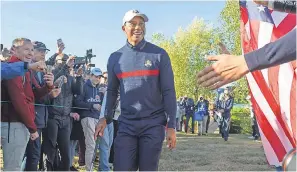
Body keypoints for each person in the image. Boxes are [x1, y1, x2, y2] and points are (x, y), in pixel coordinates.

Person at [94, 9, 177, 171]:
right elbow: (111, 91)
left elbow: (168, 91)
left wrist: (171, 125)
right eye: (133, 23)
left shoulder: (159, 55)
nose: (138, 27)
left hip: (153, 125)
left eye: (141, 24)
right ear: (123, 28)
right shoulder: (115, 58)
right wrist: (105, 118)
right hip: (126, 125)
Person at [1, 38, 54, 171]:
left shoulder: (27, 70)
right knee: (13, 168)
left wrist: (48, 86)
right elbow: (19, 101)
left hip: (20, 124)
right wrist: (33, 128)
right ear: (15, 50)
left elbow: (34, 94)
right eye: (26, 49)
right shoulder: (13, 69)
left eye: (32, 50)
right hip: (13, 125)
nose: (30, 53)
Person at [24, 41, 61, 171]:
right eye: (40, 51)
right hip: (30, 119)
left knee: (33, 154)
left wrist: (51, 93)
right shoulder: (28, 70)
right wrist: (49, 94)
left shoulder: (43, 70)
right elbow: (31, 95)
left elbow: (42, 95)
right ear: (32, 51)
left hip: (40, 119)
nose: (43, 54)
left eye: (45, 51)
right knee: (31, 155)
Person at [43, 52, 83, 171]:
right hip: (52, 117)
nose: (67, 61)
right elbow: (52, 86)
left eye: (68, 59)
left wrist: (79, 77)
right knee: (50, 149)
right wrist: (65, 66)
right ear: (56, 61)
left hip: (65, 119)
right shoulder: (52, 73)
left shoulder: (70, 77)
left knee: (65, 152)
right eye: (63, 60)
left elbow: (78, 91)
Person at [74, 68, 104, 171]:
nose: (98, 78)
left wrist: (105, 94)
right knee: (91, 144)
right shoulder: (84, 86)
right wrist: (92, 106)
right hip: (87, 117)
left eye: (99, 77)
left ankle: (93, 167)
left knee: (96, 145)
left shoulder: (100, 89)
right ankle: (89, 169)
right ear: (91, 76)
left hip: (98, 118)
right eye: (96, 76)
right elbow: (77, 102)